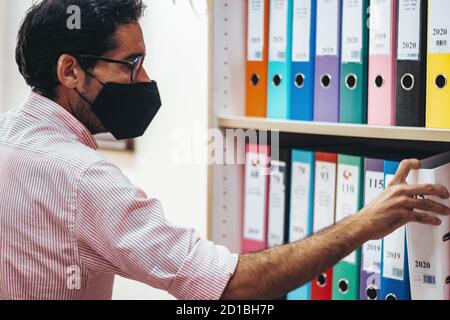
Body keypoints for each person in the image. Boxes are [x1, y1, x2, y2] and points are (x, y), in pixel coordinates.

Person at [0, 0, 448, 300]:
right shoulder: (83, 180)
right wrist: (364, 224)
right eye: (132, 64)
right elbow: (231, 286)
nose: (145, 78)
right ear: (70, 71)